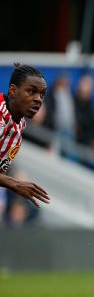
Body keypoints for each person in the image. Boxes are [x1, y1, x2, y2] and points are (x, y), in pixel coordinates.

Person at [0, 63, 50, 208]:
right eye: (31, 91)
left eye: (42, 95)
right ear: (13, 90)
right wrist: (15, 183)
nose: (38, 99)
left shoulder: (18, 125)